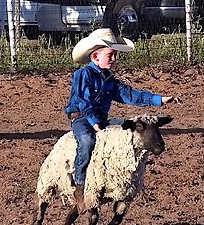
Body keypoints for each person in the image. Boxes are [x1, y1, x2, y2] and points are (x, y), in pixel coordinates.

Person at [66, 28, 181, 212]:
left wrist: (160, 100)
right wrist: (94, 121)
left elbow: (130, 95)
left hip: (101, 120)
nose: (114, 59)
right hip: (81, 118)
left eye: (115, 55)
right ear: (96, 56)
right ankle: (80, 185)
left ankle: (114, 178)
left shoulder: (110, 80)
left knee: (127, 130)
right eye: (110, 55)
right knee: (86, 142)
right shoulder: (82, 75)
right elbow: (82, 101)